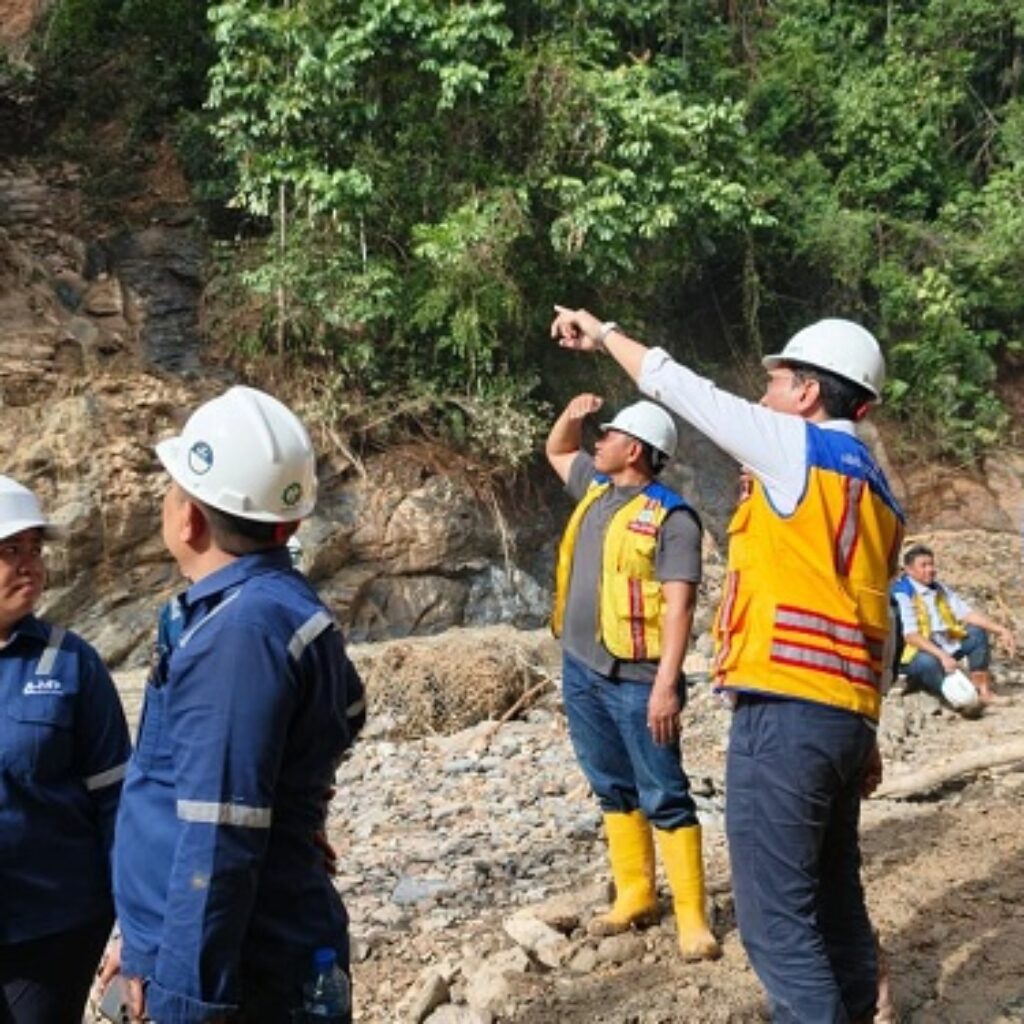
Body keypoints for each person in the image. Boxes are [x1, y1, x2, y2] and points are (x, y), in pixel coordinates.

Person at [550, 309, 905, 1023]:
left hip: (786, 712)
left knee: (776, 920)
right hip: (840, 716)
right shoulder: (878, 488)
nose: (764, 395)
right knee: (834, 895)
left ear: (808, 392)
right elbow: (880, 621)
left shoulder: (796, 448)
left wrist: (603, 332)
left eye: (774, 382)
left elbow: (683, 389)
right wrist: (865, 728)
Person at [101, 386, 366, 1023]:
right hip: (239, 949)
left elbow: (220, 834)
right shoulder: (262, 608)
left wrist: (181, 999)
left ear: (188, 518)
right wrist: (139, 941)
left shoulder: (240, 636)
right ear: (292, 521)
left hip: (248, 971)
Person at [546, 393, 721, 961]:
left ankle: (692, 918)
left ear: (636, 451)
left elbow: (680, 608)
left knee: (664, 791)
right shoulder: (596, 489)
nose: (600, 441)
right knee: (611, 784)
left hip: (640, 679)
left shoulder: (673, 517)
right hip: (582, 668)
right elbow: (558, 448)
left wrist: (668, 684)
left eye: (611, 435)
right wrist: (572, 413)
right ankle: (636, 895)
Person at [0, 475, 131, 1023]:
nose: (30, 564)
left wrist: (134, 925)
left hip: (51, 928)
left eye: (35, 549)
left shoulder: (71, 663)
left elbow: (121, 804)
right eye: (10, 550)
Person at [892, 543, 1016, 707]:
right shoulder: (903, 593)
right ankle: (955, 698)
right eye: (923, 565)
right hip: (917, 652)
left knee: (976, 633)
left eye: (931, 564)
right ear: (909, 570)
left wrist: (1001, 630)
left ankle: (983, 691)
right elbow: (911, 636)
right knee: (927, 663)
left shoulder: (940, 589)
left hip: (945, 645)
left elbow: (967, 614)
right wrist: (942, 656)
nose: (930, 569)